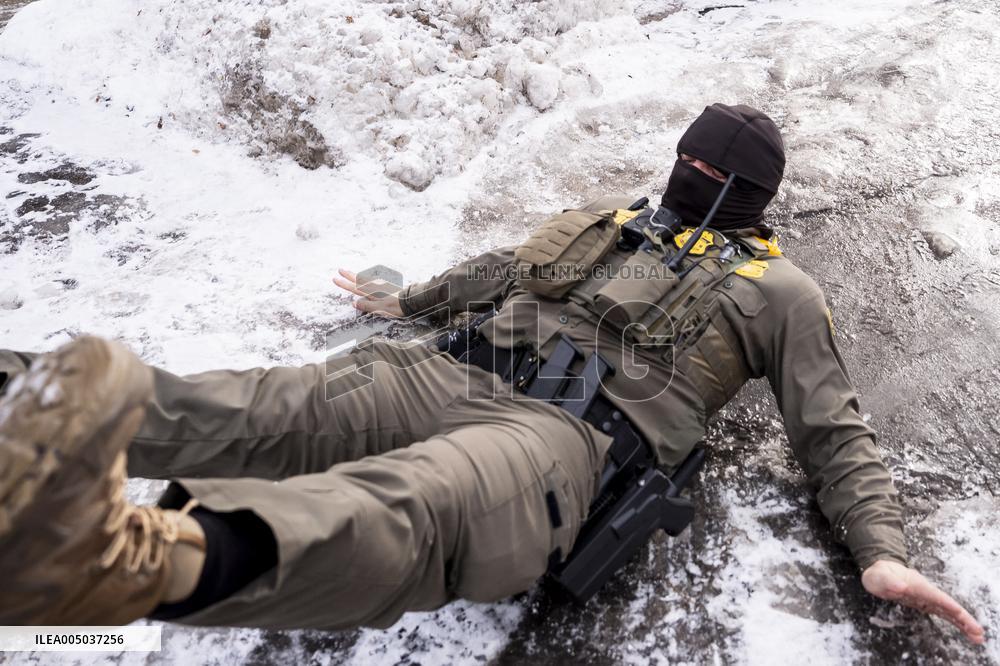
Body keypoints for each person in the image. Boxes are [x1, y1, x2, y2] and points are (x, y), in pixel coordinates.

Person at [0, 104, 984, 644]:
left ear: (749, 197)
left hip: (566, 436)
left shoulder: (779, 291)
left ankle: (123, 563)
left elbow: (833, 430)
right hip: (446, 367)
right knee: (268, 401)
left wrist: (878, 548)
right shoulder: (611, 219)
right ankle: (21, 399)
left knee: (415, 505)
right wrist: (405, 296)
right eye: (687, 155)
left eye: (708, 169)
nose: (689, 171)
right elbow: (500, 272)